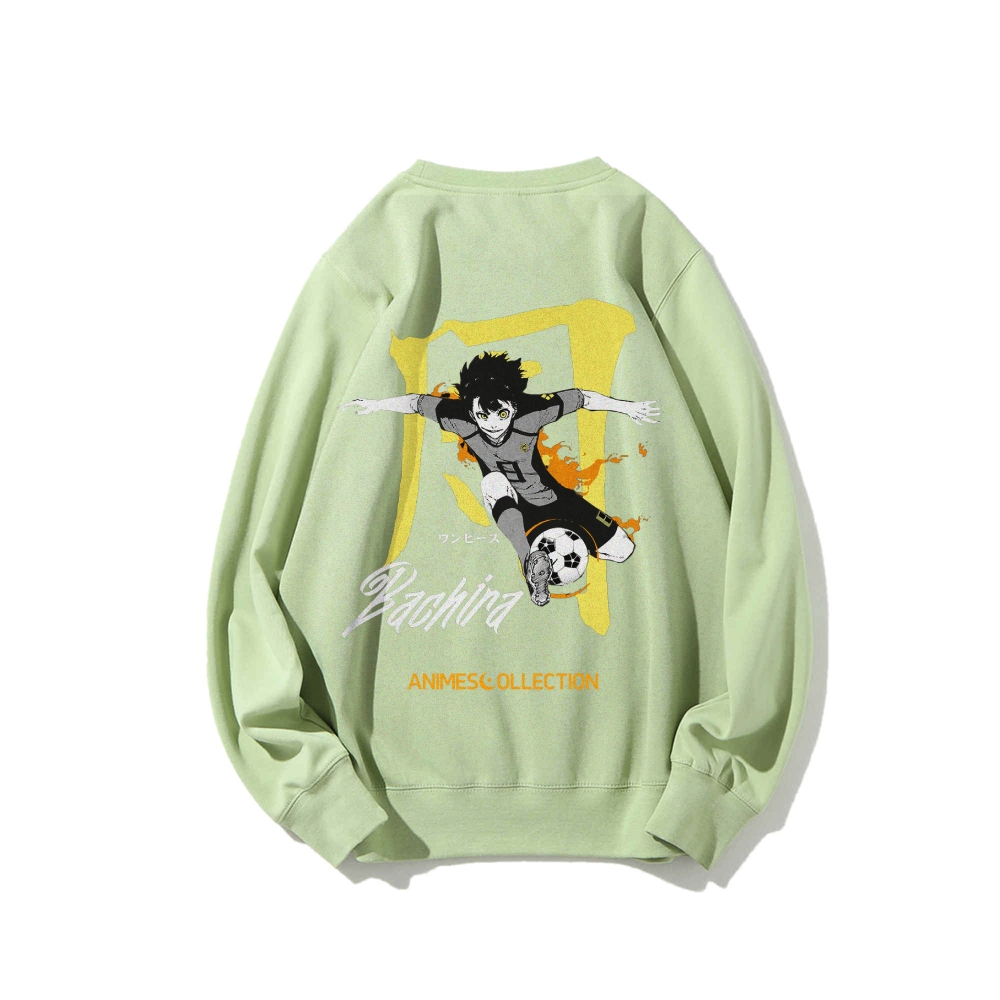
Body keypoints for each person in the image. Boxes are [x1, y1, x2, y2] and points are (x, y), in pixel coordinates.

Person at [342, 351, 658, 606]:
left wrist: (627, 408)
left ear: (514, 406)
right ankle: (529, 559)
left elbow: (583, 398)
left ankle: (549, 555)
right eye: (483, 416)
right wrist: (374, 405)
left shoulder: (534, 410)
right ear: (471, 411)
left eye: (502, 414)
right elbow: (414, 402)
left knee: (624, 550)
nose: (493, 424)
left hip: (554, 498)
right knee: (493, 481)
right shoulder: (457, 415)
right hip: (514, 507)